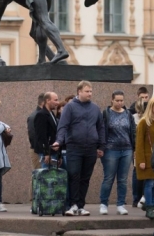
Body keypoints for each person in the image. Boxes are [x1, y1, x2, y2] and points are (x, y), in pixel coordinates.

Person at [54, 80, 105, 216]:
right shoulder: (70, 107)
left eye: (91, 91)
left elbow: (101, 127)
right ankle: (73, 205)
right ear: (79, 92)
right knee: (74, 175)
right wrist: (59, 141)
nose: (90, 94)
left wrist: (101, 145)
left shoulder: (95, 108)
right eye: (87, 91)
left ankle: (81, 206)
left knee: (85, 178)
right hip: (74, 147)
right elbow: (63, 126)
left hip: (91, 148)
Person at [99, 90, 136, 215]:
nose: (120, 103)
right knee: (108, 178)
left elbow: (133, 131)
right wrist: (101, 147)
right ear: (112, 100)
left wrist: (134, 148)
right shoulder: (106, 113)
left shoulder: (128, 114)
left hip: (127, 150)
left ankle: (120, 204)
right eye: (117, 100)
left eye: (122, 100)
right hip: (110, 150)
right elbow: (102, 130)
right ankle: (104, 204)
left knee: (123, 179)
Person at [136, 96, 154, 220]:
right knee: (150, 183)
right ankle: (149, 207)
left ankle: (150, 203)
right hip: (147, 158)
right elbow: (139, 143)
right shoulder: (144, 122)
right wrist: (141, 160)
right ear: (151, 107)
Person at [34, 92, 60, 168]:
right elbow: (41, 136)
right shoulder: (41, 115)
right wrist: (46, 153)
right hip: (47, 153)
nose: (57, 103)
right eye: (55, 100)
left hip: (54, 151)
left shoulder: (51, 113)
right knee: (47, 174)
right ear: (48, 100)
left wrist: (59, 154)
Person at [27, 93, 46, 171]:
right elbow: (33, 135)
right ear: (44, 102)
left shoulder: (44, 114)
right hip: (38, 151)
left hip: (42, 150)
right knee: (40, 174)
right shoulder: (35, 116)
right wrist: (41, 150)